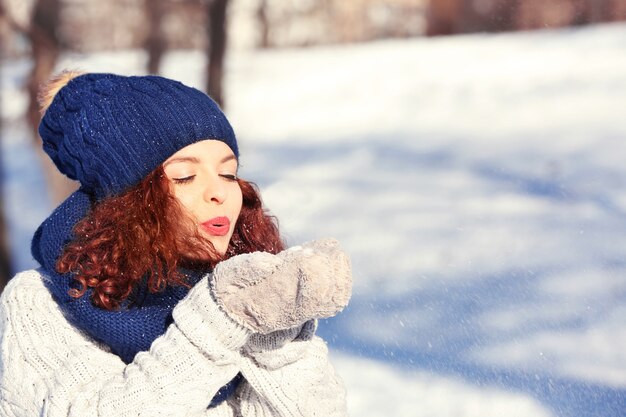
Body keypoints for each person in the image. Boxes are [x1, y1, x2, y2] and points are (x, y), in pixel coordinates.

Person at [0, 71, 352, 416]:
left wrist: (278, 334)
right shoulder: (38, 302)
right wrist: (216, 320)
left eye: (228, 173)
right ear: (128, 201)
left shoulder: (239, 289)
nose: (219, 192)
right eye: (185, 176)